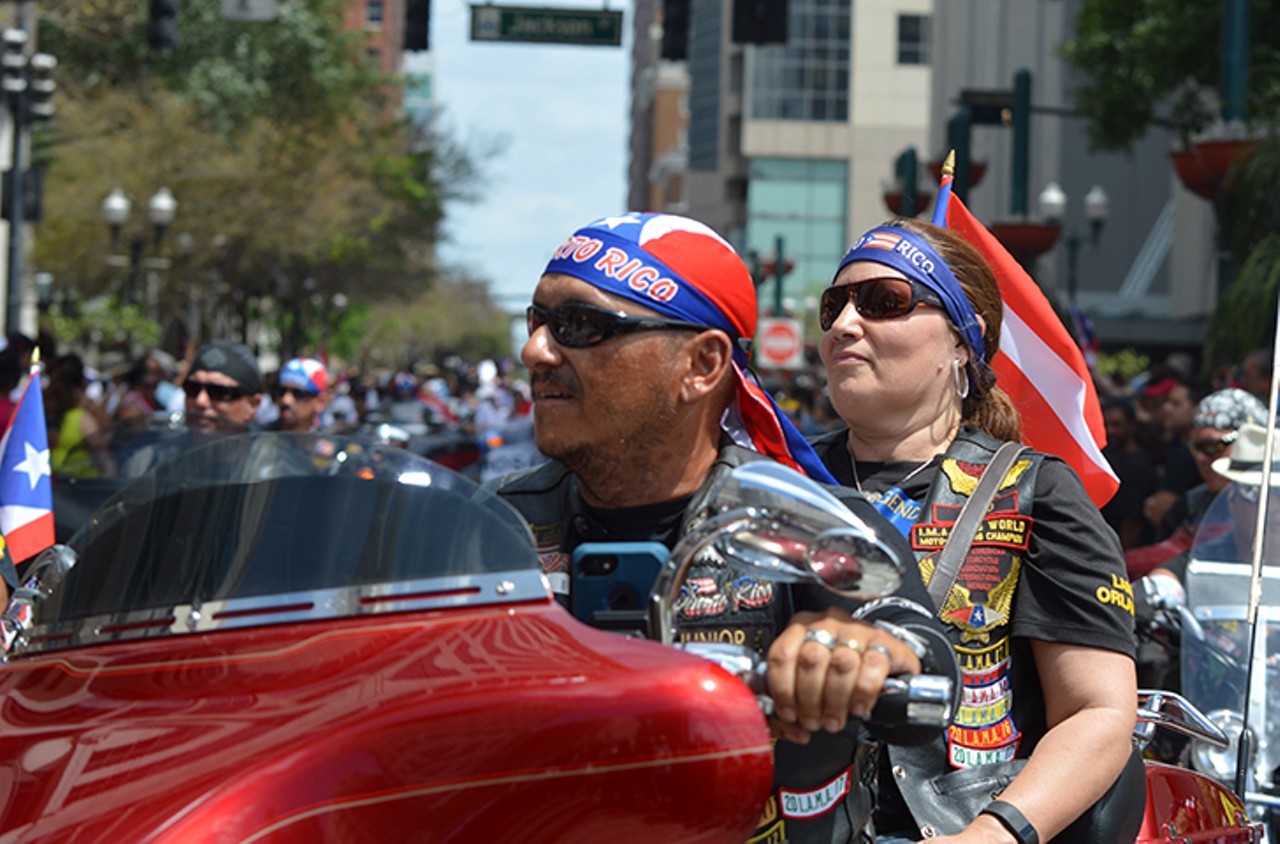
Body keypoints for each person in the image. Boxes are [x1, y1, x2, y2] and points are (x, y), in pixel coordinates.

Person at [486, 212, 959, 844]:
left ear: (702, 365)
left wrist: (856, 654)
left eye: (578, 326)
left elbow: (921, 654)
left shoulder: (809, 522)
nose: (535, 351)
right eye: (537, 322)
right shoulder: (490, 528)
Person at [810, 218, 1138, 843]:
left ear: (963, 342)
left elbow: (1098, 714)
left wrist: (990, 836)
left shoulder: (1035, 490)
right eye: (835, 306)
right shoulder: (778, 478)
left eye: (884, 303)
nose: (845, 325)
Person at [270, 357, 329, 433]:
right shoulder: (259, 439)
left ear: (321, 402)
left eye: (298, 393)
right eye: (282, 391)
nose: (286, 400)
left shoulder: (330, 441)